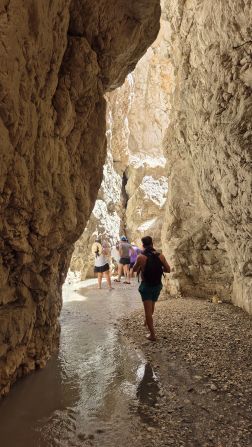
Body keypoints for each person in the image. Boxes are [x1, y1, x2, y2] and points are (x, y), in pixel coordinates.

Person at [133, 236, 170, 341]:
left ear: (143, 245)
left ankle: (152, 335)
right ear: (152, 244)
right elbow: (168, 269)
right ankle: (146, 322)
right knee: (152, 306)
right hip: (157, 285)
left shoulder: (141, 257)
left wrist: (142, 266)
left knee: (147, 312)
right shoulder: (160, 256)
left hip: (146, 286)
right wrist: (158, 268)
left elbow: (134, 269)